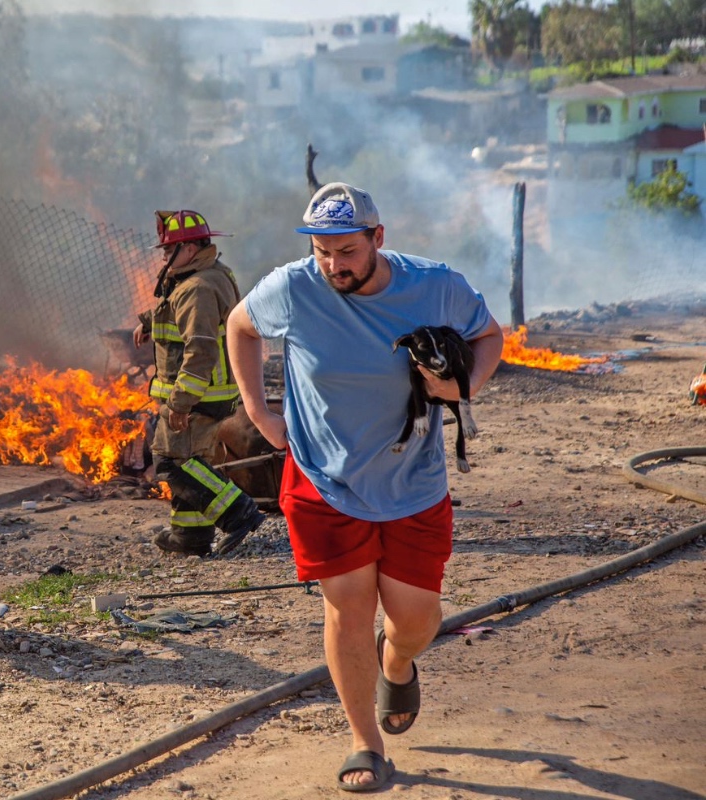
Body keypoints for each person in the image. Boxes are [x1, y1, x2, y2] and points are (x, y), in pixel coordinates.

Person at [226, 183, 504, 792]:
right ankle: (365, 745)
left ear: (378, 239)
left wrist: (464, 390)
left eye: (346, 251)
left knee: (416, 619)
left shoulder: (435, 285)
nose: (333, 266)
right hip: (323, 480)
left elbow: (490, 337)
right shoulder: (294, 288)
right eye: (323, 251)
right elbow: (240, 327)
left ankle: (397, 659)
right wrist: (260, 413)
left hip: (413, 482)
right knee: (346, 608)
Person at [133, 209, 265, 558]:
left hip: (197, 396)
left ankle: (238, 512)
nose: (163, 257)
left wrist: (180, 402)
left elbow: (200, 347)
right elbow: (175, 310)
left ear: (189, 249)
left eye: (168, 249)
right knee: (193, 460)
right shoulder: (208, 274)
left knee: (171, 462)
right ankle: (190, 536)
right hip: (209, 394)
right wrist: (148, 322)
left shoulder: (198, 287)